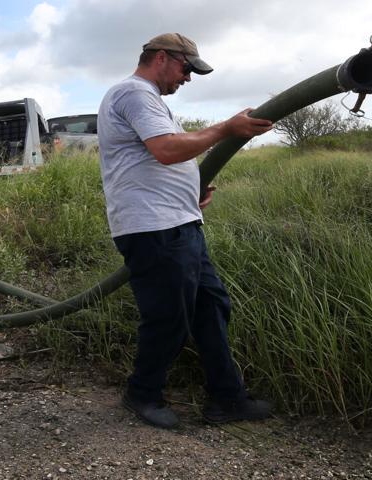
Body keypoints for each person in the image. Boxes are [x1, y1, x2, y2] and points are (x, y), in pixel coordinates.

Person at [99, 32, 276, 428]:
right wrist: (227, 128)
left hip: (179, 222)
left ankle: (227, 399)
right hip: (153, 228)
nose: (188, 78)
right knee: (168, 317)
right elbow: (166, 149)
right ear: (162, 58)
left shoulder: (153, 102)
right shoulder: (133, 93)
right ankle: (141, 395)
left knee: (211, 308)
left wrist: (190, 190)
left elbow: (163, 153)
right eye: (186, 68)